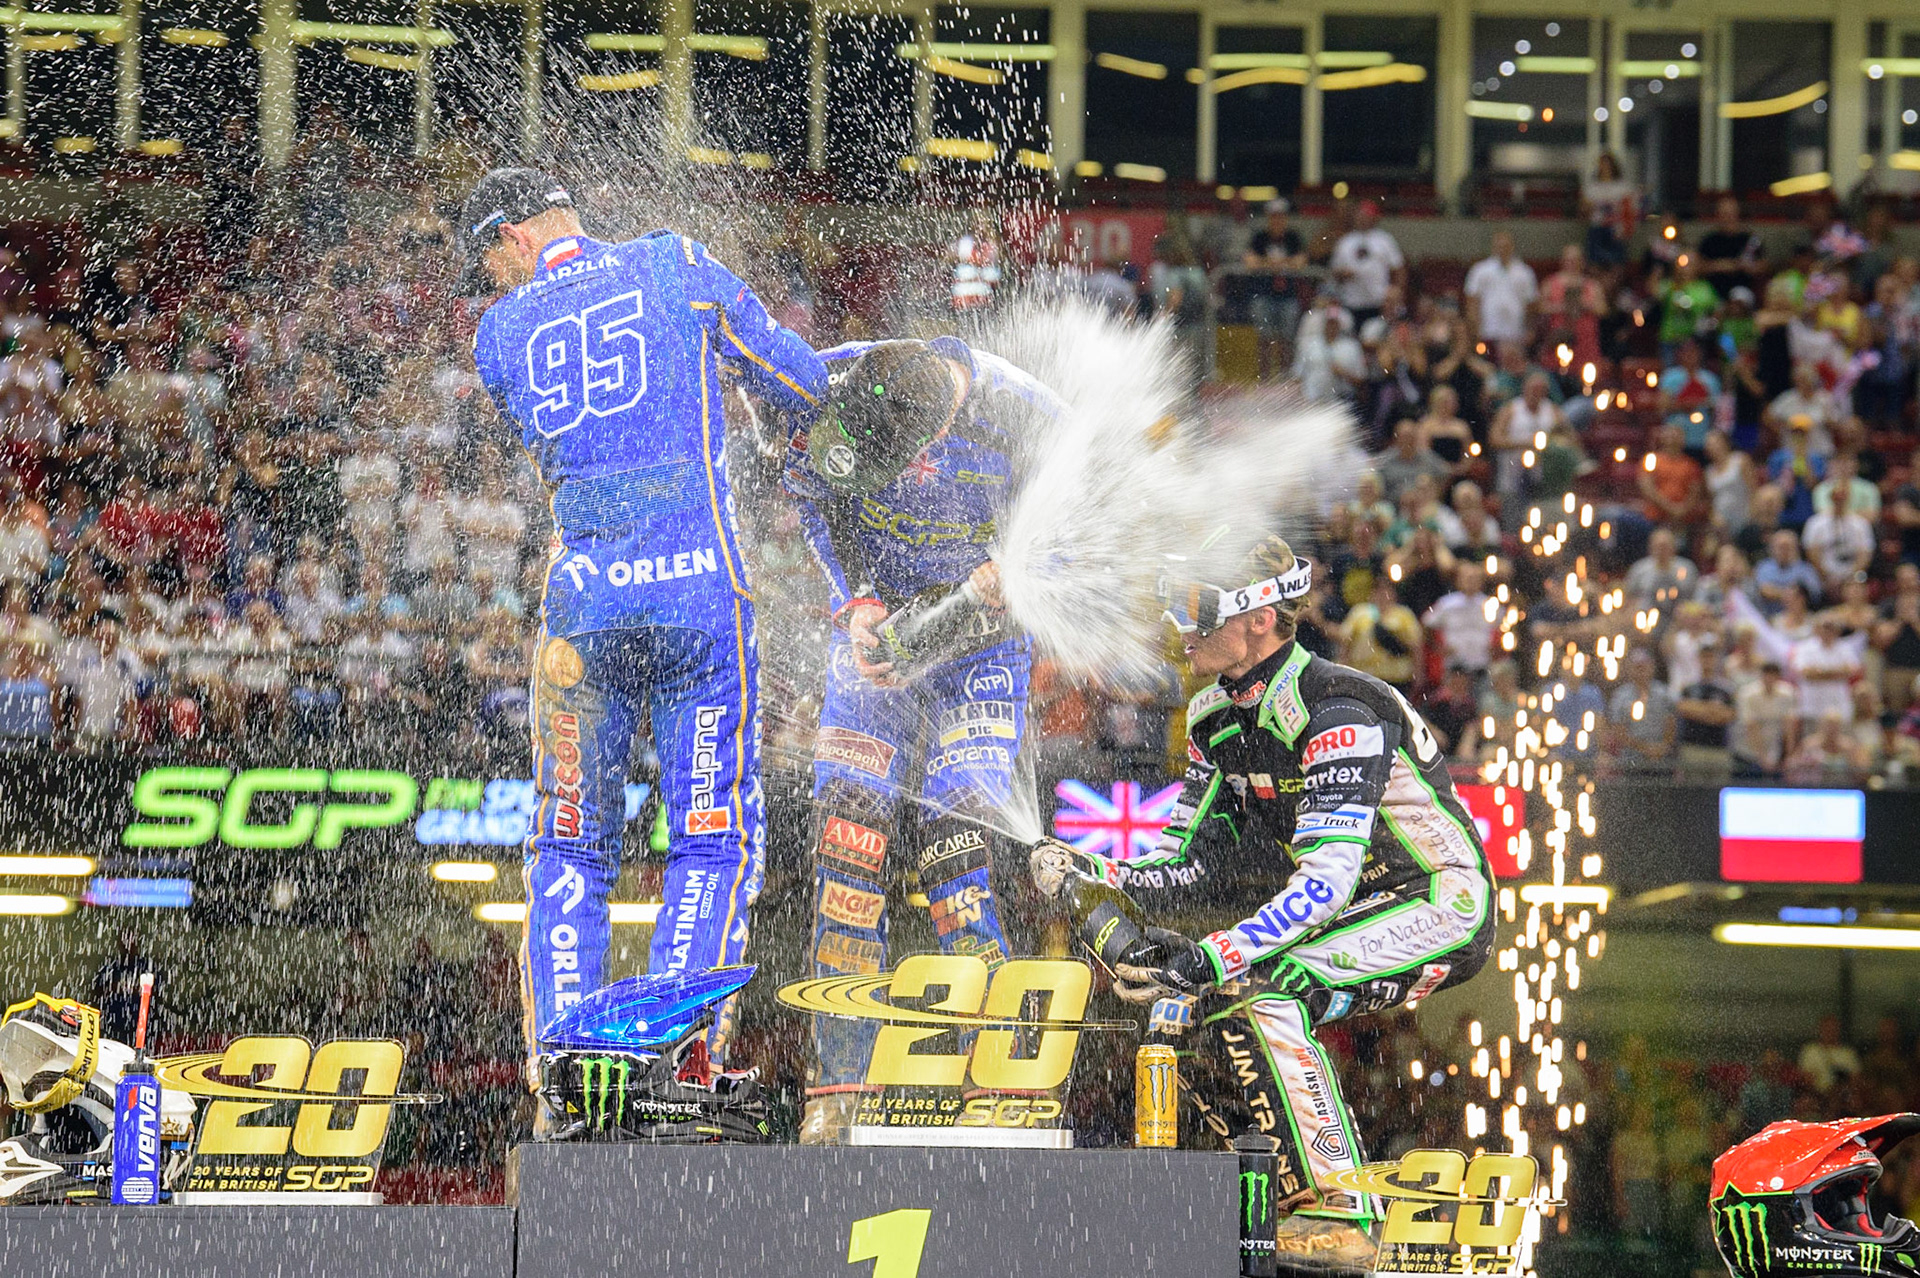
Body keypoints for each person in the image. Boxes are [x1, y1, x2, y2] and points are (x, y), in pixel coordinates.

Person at [1030, 538, 1494, 1274]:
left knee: (1264, 990)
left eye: (1197, 607)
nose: (1181, 626)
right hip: (1352, 906)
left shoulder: (1340, 706)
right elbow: (1185, 864)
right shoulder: (1213, 715)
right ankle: (1276, 1197)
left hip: (1438, 899)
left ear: (1260, 617)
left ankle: (1340, 1212)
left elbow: (1325, 882)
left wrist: (1211, 955)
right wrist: (1090, 869)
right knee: (1199, 1005)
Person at [463, 168, 827, 1083]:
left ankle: (564, 1068)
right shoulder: (674, 262)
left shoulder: (497, 336)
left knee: (569, 844)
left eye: (488, 263)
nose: (491, 283)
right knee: (710, 835)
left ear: (511, 235)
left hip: (583, 612)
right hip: (698, 596)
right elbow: (801, 378)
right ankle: (678, 1060)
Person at [781, 337, 1065, 1144]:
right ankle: (839, 1089)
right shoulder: (834, 376)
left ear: (941, 426)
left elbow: (1100, 508)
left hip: (981, 647)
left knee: (954, 859)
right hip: (875, 643)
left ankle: (1000, 1083)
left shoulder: (1031, 414)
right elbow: (806, 488)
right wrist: (855, 600)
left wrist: (1025, 567)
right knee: (847, 854)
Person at [1327, 200, 1405, 329]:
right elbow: (1334, 271)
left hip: (1377, 302)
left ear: (1374, 218)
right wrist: (1343, 274)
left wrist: (1397, 290)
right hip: (1351, 301)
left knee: (1374, 334)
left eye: (1366, 216)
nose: (1362, 219)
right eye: (1360, 215)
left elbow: (1399, 268)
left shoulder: (1384, 240)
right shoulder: (1345, 241)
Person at [1463, 231, 1537, 348]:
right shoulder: (1480, 270)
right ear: (1494, 247)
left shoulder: (1525, 272)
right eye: (1500, 246)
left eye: (1506, 246)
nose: (1503, 250)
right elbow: (1472, 301)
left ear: (1512, 247)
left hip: (1515, 332)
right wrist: (1474, 329)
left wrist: (1530, 330)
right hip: (1488, 331)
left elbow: (1531, 303)